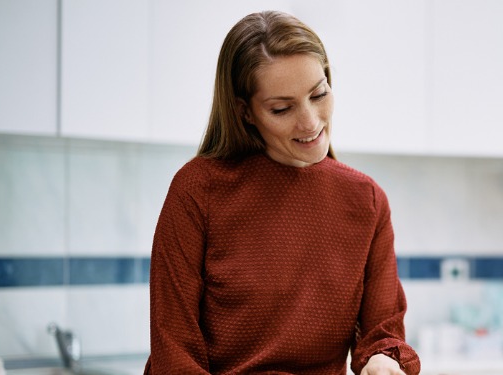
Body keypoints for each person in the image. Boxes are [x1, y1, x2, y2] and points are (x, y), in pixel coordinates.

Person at [144, 11, 420, 375]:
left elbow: (381, 332)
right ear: (245, 112)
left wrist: (382, 360)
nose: (310, 122)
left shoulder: (366, 200)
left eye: (318, 94)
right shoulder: (198, 191)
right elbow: (173, 351)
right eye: (282, 108)